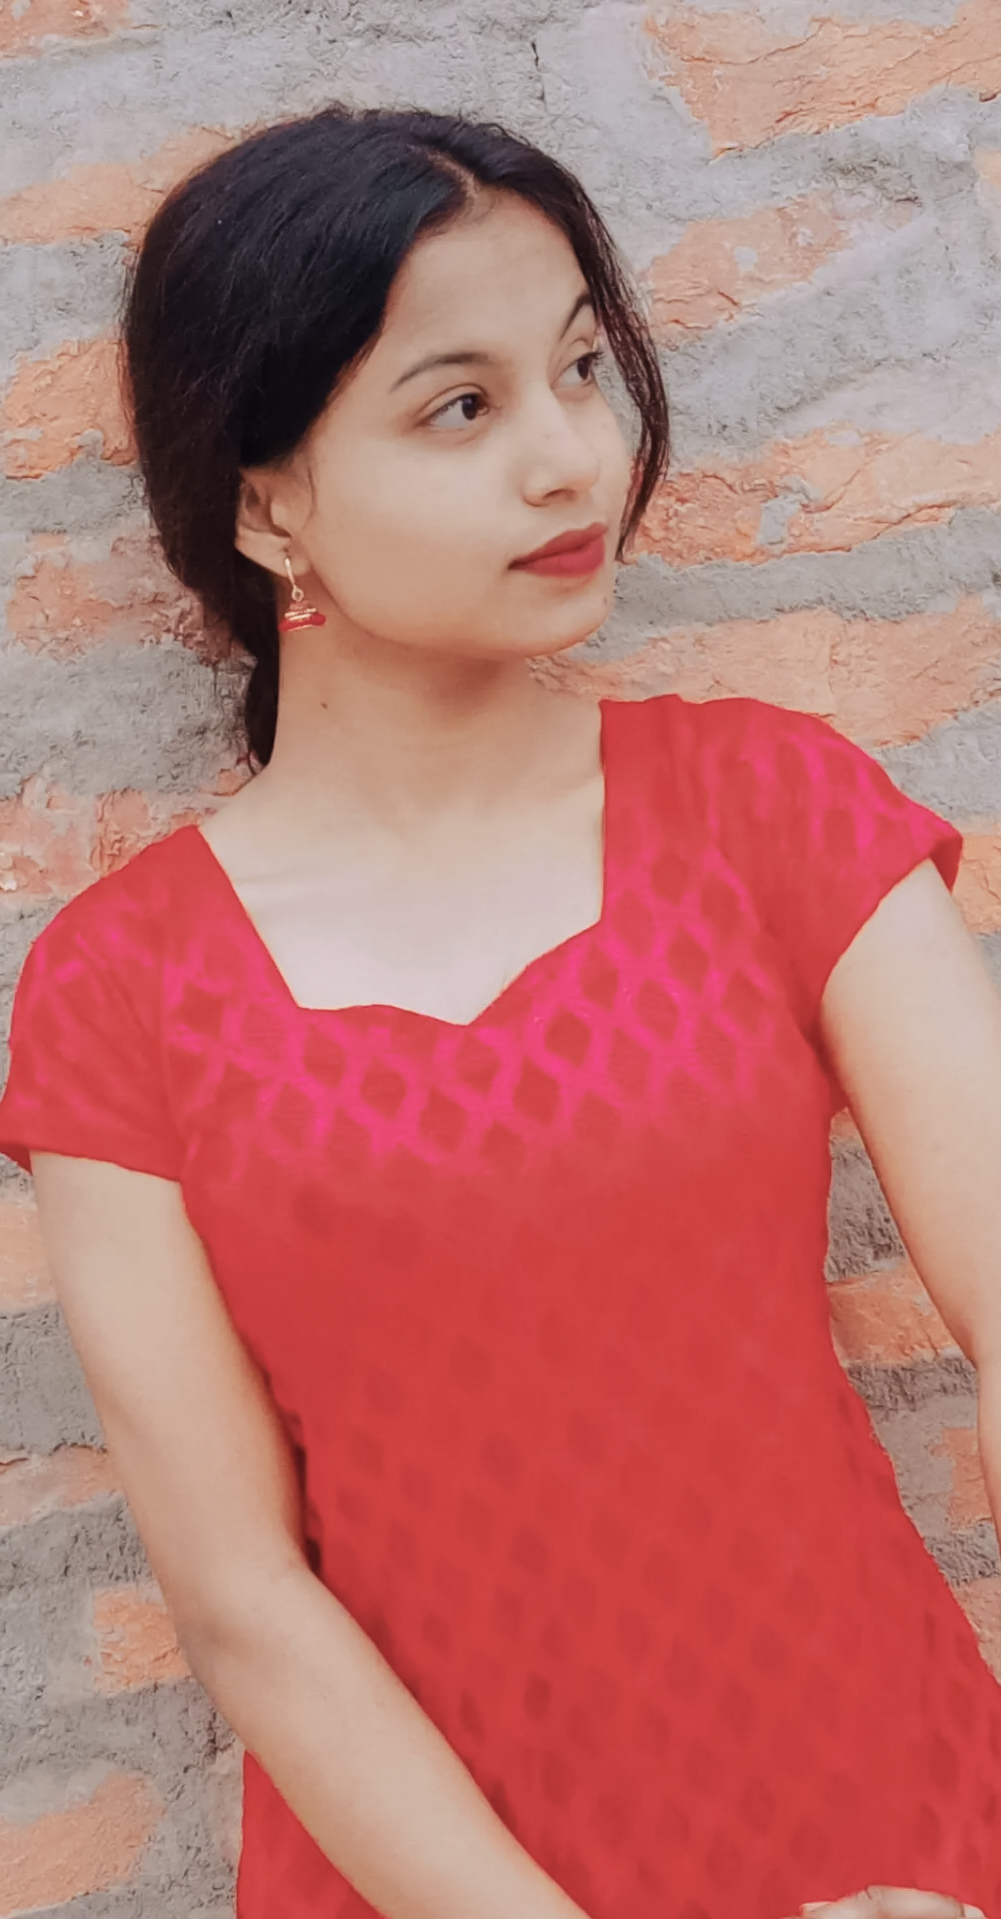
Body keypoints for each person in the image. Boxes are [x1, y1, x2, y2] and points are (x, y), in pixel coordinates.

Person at [0, 105, 998, 1919]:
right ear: (264, 503)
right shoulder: (119, 990)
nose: (571, 459)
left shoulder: (768, 809)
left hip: (884, 1830)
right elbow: (242, 1599)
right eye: (459, 407)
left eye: (581, 369)